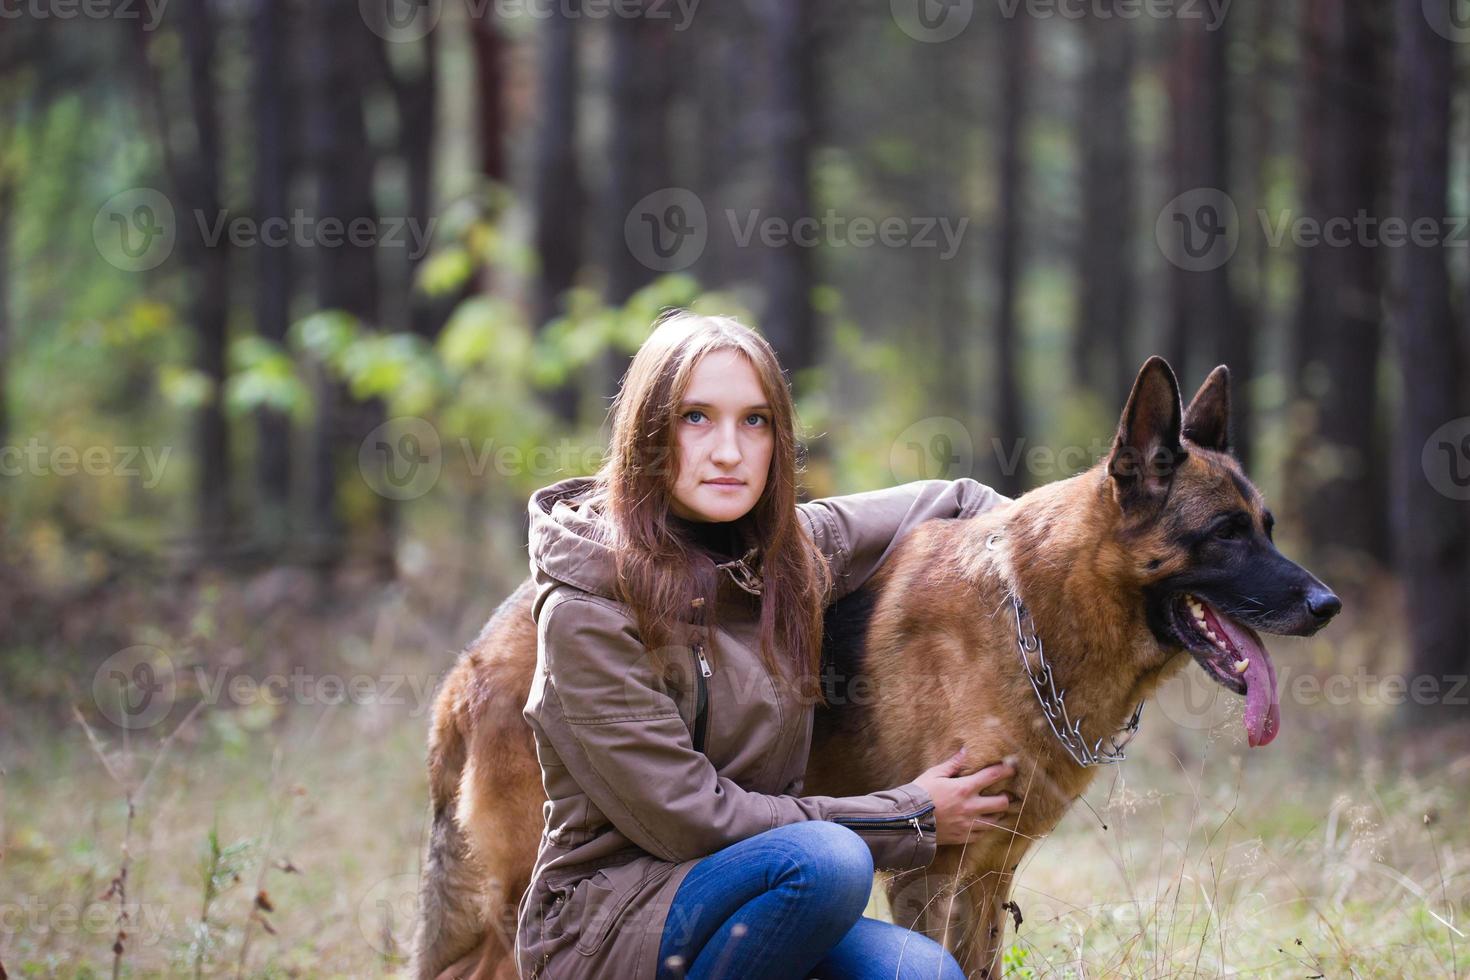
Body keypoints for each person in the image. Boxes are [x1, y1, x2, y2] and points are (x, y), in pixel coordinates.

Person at [515, 311, 1016, 980]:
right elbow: (691, 821)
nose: (729, 450)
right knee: (827, 864)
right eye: (697, 417)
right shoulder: (589, 610)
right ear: (649, 433)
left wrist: (1056, 544)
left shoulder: (783, 559)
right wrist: (911, 816)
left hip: (750, 904)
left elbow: (954, 500)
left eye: (755, 421)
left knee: (921, 974)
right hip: (606, 930)